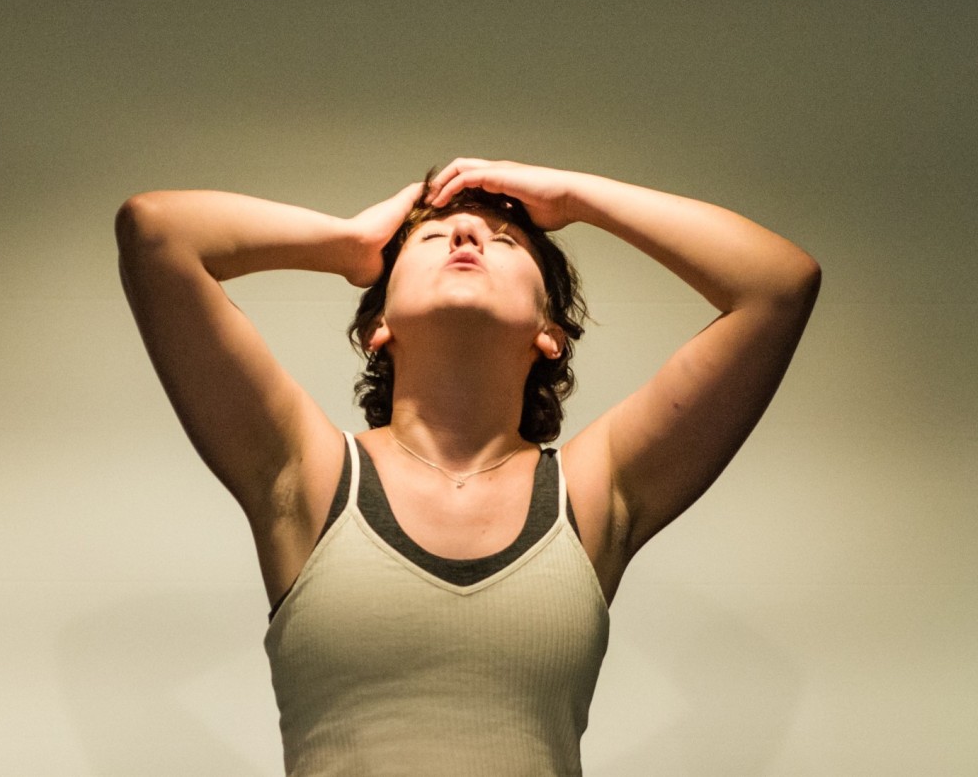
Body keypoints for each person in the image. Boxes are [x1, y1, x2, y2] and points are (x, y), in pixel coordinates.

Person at [116, 158, 820, 776]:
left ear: (550, 333)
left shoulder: (593, 491)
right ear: (376, 327)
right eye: (429, 237)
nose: (465, 235)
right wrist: (350, 243)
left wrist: (573, 197)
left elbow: (779, 285)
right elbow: (156, 233)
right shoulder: (308, 474)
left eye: (505, 240)